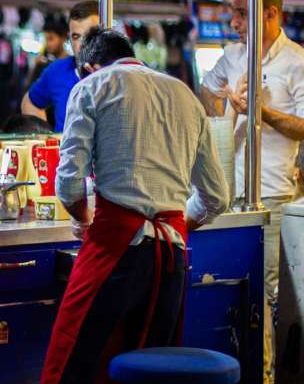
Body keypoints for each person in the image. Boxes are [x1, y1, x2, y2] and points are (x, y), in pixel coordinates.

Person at [41, 28, 229, 384]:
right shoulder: (185, 95)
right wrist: (174, 223)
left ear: (90, 67)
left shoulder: (92, 87)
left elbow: (68, 184)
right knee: (152, 367)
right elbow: (216, 196)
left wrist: (82, 219)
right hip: (171, 258)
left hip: (115, 250)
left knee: (73, 359)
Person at [200, 0, 304, 381]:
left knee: (269, 293)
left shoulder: (296, 61)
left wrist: (264, 112)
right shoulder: (232, 55)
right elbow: (206, 95)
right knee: (239, 292)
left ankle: (269, 375)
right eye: (233, 12)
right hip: (232, 192)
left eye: (242, 13)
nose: (234, 21)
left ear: (271, 14)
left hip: (275, 195)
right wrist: (228, 99)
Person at [21, 1, 99, 132]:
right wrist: (45, 139)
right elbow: (29, 103)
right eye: (76, 36)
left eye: (89, 35)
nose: (82, 44)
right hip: (66, 151)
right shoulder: (57, 71)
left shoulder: (124, 72)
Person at [26, 15, 70, 88]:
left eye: (51, 39)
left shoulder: (70, 64)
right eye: (46, 39)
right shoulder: (45, 65)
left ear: (63, 38)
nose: (47, 43)